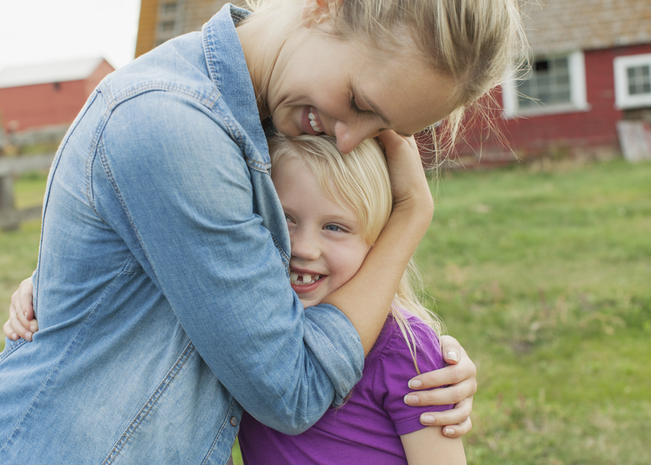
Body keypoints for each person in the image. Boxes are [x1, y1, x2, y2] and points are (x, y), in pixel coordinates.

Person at [1, 0, 527, 462]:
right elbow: (292, 388)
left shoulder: (263, 121)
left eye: (384, 131)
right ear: (326, 7)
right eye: (361, 103)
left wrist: (419, 359)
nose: (350, 142)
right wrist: (410, 214)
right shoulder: (174, 121)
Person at [238, 133, 466, 464]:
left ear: (379, 243)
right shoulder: (243, 332)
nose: (303, 247)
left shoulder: (403, 348)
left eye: (334, 227)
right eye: (286, 218)